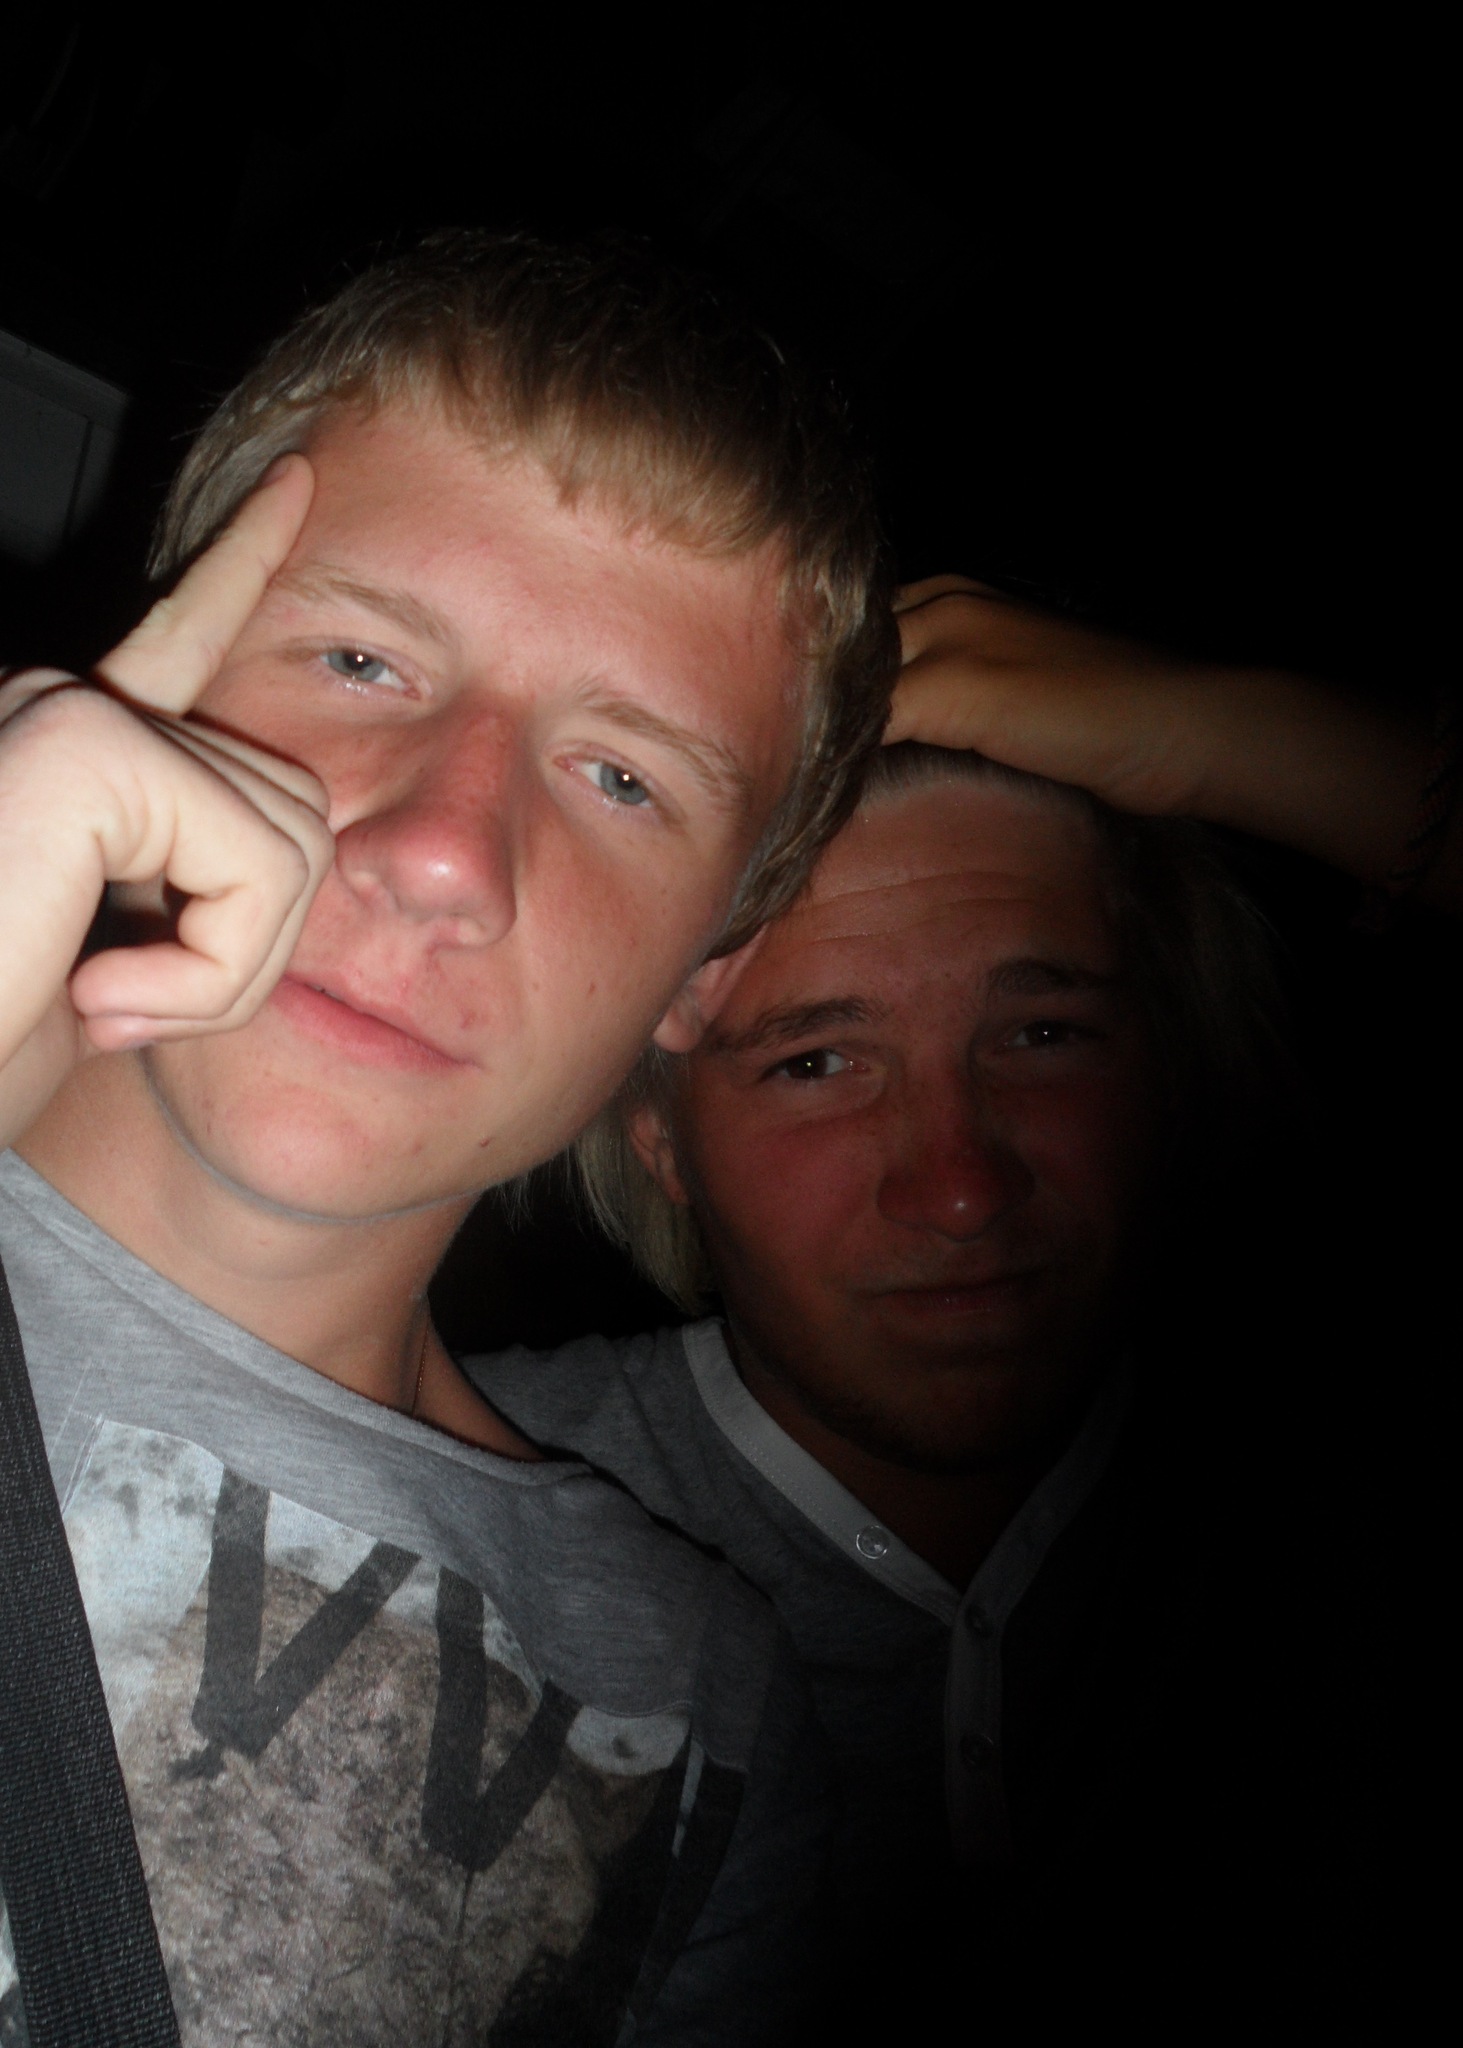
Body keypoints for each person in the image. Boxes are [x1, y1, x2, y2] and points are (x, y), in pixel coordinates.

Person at [0, 230, 895, 2047]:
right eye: (361, 658)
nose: (441, 854)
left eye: (623, 776)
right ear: (152, 668)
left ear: (705, 973)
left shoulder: (699, 1709)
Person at [472, 579, 1444, 2026]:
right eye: (816, 1062)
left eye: (1042, 1034)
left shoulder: (1332, 1469)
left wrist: (1217, 733)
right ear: (656, 1133)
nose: (962, 1187)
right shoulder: (453, 1499)